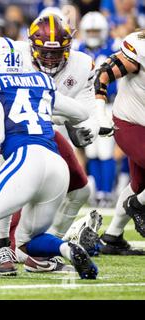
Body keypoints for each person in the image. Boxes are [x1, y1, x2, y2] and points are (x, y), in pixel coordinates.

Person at [0, 37, 97, 280]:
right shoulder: (40, 81)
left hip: (25, 156)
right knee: (27, 240)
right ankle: (66, 248)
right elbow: (81, 112)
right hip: (56, 164)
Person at [0, 14, 107, 273]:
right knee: (8, 181)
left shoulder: (82, 65)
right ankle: (2, 247)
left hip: (41, 131)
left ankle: (43, 248)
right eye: (43, 52)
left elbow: (86, 109)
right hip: (5, 128)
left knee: (81, 190)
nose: (50, 59)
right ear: (31, 45)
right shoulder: (11, 55)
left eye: (56, 53)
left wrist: (86, 127)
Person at [95, 30, 145, 255]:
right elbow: (103, 74)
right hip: (131, 122)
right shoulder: (139, 47)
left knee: (138, 185)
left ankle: (112, 236)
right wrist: (98, 113)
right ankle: (137, 205)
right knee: (139, 190)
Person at [78, 11, 120, 207]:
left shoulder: (114, 47)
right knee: (92, 150)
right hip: (87, 105)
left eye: (96, 30)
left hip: (108, 103)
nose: (93, 34)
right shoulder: (78, 49)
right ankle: (97, 191)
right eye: (90, 31)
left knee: (105, 151)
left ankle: (107, 191)